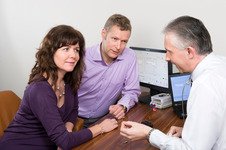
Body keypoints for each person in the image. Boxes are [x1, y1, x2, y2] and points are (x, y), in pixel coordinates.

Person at [0, 25, 118, 150]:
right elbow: (65, 141)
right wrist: (100, 127)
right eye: (66, 49)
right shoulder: (39, 90)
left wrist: (66, 129)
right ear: (51, 52)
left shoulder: (68, 81)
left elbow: (73, 110)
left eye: (76, 50)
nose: (73, 55)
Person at [120, 16, 226, 149]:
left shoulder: (204, 86)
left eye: (169, 51)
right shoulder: (221, 63)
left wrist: (149, 133)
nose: (167, 58)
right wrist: (188, 132)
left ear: (189, 51)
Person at [78, 14, 141, 127]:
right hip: (74, 119)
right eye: (115, 39)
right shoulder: (82, 57)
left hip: (105, 119)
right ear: (104, 34)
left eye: (124, 41)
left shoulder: (129, 57)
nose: (118, 46)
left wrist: (122, 105)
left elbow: (132, 91)